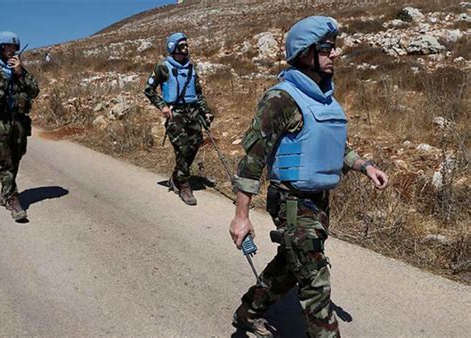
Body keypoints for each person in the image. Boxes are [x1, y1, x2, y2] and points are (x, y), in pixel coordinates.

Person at [228, 16, 388, 337]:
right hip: (291, 202)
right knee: (315, 281)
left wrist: (365, 167)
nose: (335, 55)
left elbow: (336, 147)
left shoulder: (323, 98)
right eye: (327, 48)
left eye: (333, 47)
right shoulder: (281, 99)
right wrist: (241, 216)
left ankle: (249, 310)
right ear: (305, 54)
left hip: (317, 203)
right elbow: (253, 158)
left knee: (290, 266)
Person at [144, 32, 213, 206]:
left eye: (187, 45)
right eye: (182, 46)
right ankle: (183, 185)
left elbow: (198, 93)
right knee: (182, 149)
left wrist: (206, 112)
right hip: (176, 114)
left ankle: (176, 176)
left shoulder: (191, 67)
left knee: (195, 143)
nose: (186, 48)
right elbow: (149, 90)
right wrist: (163, 106)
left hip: (193, 112)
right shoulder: (163, 67)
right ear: (173, 47)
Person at [0, 31, 39, 221]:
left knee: (16, 157)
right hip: (0, 122)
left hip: (18, 122)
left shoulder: (19, 69)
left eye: (14, 47)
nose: (11, 51)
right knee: (4, 160)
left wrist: (19, 73)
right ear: (0, 48)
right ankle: (12, 199)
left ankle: (6, 194)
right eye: (7, 47)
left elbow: (34, 90)